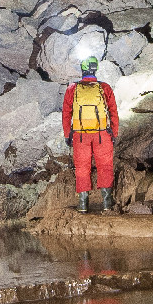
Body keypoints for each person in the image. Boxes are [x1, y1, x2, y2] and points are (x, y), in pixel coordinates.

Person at [61, 56, 120, 213]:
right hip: (102, 134)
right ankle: (107, 204)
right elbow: (113, 112)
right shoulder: (105, 87)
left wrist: (68, 134)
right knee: (105, 166)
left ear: (82, 69)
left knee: (82, 168)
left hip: (80, 136)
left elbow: (66, 113)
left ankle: (83, 204)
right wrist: (114, 132)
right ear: (96, 69)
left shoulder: (72, 89)